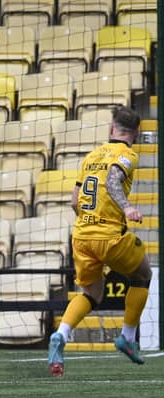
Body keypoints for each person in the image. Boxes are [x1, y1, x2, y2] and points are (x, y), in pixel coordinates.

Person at [47, 106, 152, 376]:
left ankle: (61, 333)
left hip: (82, 236)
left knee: (92, 293)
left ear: (111, 128)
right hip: (109, 235)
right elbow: (114, 181)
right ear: (136, 133)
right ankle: (128, 337)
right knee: (143, 274)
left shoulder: (92, 156)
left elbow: (74, 200)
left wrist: (89, 222)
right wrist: (127, 208)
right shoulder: (128, 154)